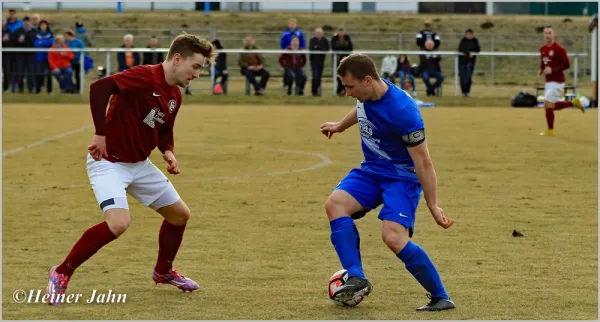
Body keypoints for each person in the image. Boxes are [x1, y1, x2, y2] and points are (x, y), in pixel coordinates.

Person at [45, 34, 218, 306]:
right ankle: (61, 271)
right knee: (119, 223)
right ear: (177, 59)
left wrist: (168, 151)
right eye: (195, 66)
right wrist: (99, 133)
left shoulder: (174, 94)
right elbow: (99, 88)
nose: (197, 73)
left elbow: (164, 129)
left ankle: (163, 272)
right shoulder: (143, 76)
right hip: (109, 162)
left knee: (180, 216)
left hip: (139, 164)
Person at [319, 53, 456, 312]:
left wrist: (433, 205)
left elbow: (424, 162)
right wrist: (339, 126)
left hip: (402, 178)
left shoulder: (403, 112)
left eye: (350, 86)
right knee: (335, 204)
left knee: (393, 237)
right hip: (372, 170)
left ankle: (440, 297)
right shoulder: (367, 95)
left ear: (368, 80)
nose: (346, 92)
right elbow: (362, 110)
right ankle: (356, 276)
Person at [538, 26, 585, 136]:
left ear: (553, 35)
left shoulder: (559, 49)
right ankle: (573, 103)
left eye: (550, 33)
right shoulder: (543, 49)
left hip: (557, 82)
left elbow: (567, 64)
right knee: (551, 105)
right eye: (546, 33)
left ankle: (550, 131)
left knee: (547, 103)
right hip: (548, 82)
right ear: (543, 35)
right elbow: (543, 61)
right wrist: (541, 69)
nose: (547, 35)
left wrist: (552, 70)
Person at [457, 29, 480, 97]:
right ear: (466, 34)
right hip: (462, 62)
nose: (470, 35)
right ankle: (463, 92)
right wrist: (468, 53)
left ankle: (467, 91)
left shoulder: (475, 40)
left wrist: (471, 51)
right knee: (462, 77)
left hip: (470, 62)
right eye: (468, 34)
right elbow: (461, 48)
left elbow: (477, 49)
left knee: (469, 77)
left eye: (471, 34)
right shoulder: (463, 41)